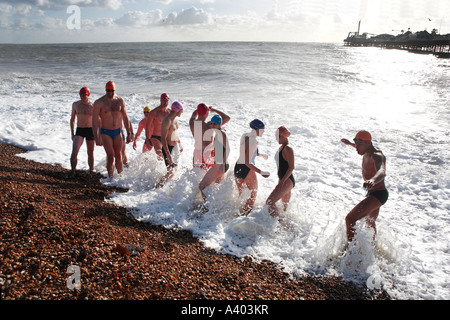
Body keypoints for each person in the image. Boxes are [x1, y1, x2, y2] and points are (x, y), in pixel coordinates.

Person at [341, 130, 388, 243]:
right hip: (372, 193)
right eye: (355, 145)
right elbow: (359, 146)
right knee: (370, 223)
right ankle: (372, 248)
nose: (356, 148)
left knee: (350, 219)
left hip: (378, 194)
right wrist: (349, 144)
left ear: (367, 143)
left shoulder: (376, 155)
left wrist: (373, 180)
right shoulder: (366, 149)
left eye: (358, 145)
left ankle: (350, 251)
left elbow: (382, 171)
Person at [93, 81, 134, 179]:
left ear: (115, 90)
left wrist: (129, 133)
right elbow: (94, 121)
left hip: (117, 131)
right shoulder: (99, 103)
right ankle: (111, 178)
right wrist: (96, 137)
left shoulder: (119, 101)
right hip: (105, 132)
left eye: (112, 91)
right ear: (105, 90)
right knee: (110, 156)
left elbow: (125, 118)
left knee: (119, 155)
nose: (110, 92)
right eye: (108, 90)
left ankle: (120, 178)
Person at [234, 119, 270, 215]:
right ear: (257, 129)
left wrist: (260, 155)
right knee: (252, 196)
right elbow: (247, 162)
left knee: (242, 195)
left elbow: (245, 151)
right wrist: (261, 172)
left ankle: (237, 215)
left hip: (237, 167)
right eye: (262, 129)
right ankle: (245, 219)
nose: (263, 131)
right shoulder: (254, 141)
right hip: (247, 169)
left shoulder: (245, 135)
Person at [198, 115, 230, 211]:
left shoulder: (221, 133)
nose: (212, 125)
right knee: (217, 188)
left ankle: (207, 208)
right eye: (211, 123)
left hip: (220, 165)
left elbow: (228, 148)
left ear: (219, 124)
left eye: (215, 124)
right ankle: (217, 208)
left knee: (202, 186)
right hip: (220, 164)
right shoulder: (218, 132)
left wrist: (222, 164)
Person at [189, 103, 230, 170]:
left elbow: (194, 114)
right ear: (206, 113)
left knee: (197, 175)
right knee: (209, 176)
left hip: (197, 153)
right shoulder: (210, 126)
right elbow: (227, 118)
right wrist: (214, 110)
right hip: (208, 154)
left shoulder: (192, 122)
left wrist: (200, 108)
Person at [266, 126, 295, 217]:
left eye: (277, 136)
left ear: (282, 136)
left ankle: (276, 226)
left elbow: (291, 167)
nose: (275, 139)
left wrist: (282, 182)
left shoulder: (288, 149)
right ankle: (284, 227)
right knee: (284, 208)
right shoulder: (282, 147)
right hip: (283, 180)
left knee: (269, 202)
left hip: (287, 181)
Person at [155, 101, 184, 187]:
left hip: (175, 147)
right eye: (181, 110)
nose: (182, 112)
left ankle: (164, 188)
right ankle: (157, 187)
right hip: (168, 148)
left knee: (174, 170)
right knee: (171, 172)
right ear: (177, 110)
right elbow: (163, 138)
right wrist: (168, 154)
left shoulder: (175, 119)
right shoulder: (167, 121)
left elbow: (174, 132)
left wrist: (179, 143)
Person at [70, 86, 95, 177]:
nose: (82, 96)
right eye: (81, 94)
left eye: (84, 94)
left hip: (90, 130)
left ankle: (91, 170)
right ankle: (73, 171)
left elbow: (98, 120)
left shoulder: (93, 106)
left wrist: (98, 133)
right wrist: (72, 133)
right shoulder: (76, 105)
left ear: (88, 95)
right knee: (75, 150)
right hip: (79, 130)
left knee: (90, 152)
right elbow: (72, 119)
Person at [145, 93, 171, 160]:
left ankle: (167, 170)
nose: (166, 102)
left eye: (167, 100)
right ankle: (157, 170)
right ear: (160, 100)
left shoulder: (169, 112)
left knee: (169, 157)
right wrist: (147, 140)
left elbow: (173, 127)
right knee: (160, 155)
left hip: (166, 137)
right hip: (156, 137)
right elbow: (147, 127)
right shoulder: (154, 112)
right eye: (164, 100)